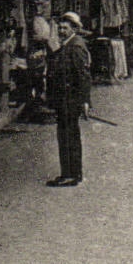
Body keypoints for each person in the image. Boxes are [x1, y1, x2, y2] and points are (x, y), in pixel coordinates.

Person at [45, 11, 90, 186]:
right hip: (65, 99)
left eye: (65, 28)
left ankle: (70, 175)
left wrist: (84, 101)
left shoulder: (76, 46)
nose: (61, 31)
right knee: (66, 136)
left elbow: (83, 75)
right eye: (60, 28)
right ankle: (70, 173)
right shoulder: (67, 45)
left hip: (70, 99)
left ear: (74, 29)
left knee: (68, 137)